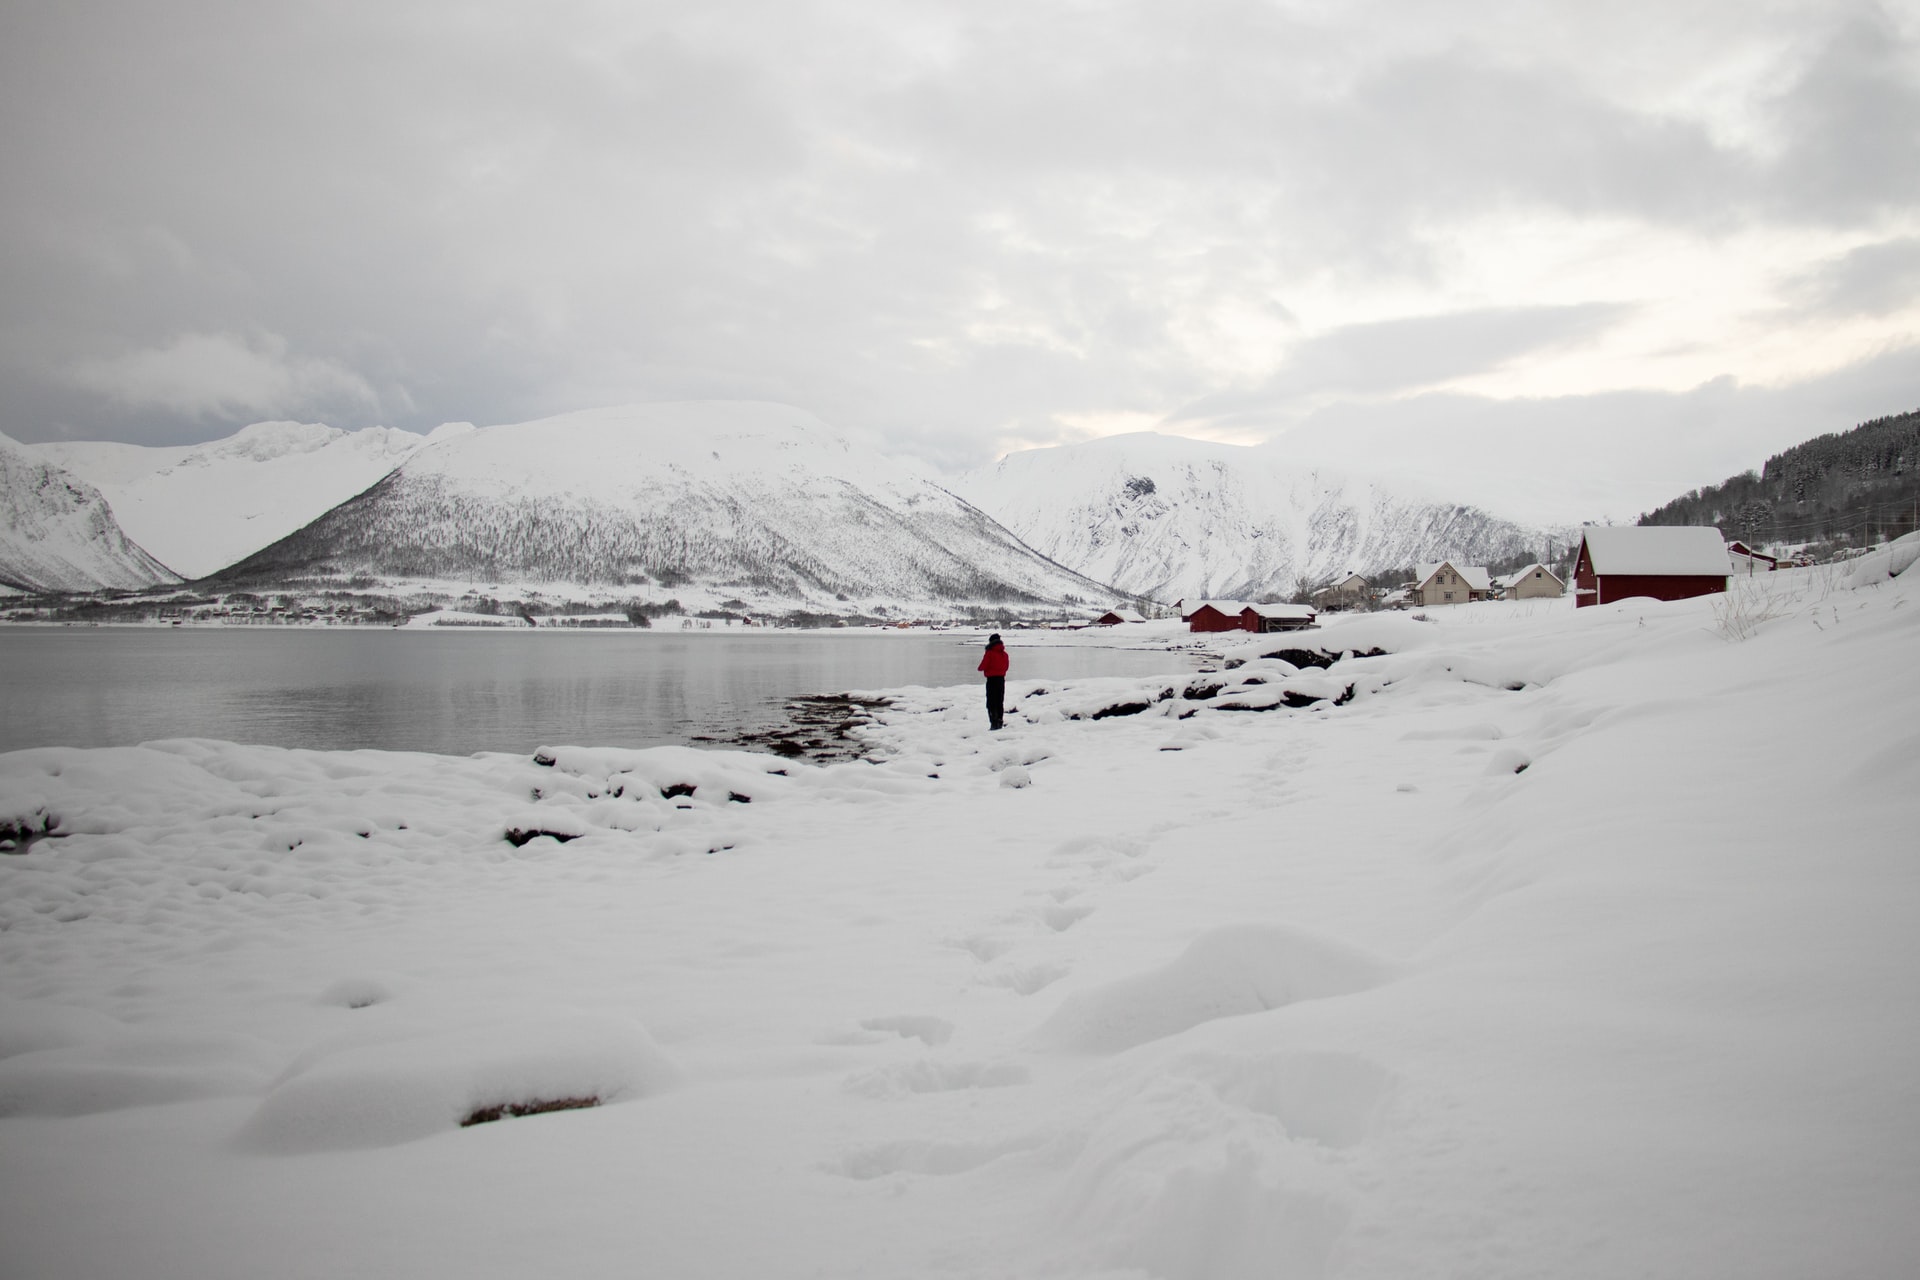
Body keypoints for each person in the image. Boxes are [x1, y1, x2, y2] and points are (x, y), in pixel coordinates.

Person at [978, 633, 1009, 730]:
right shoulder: (1005, 654)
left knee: (991, 703)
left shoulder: (989, 653)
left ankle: (994, 723)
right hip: (1001, 680)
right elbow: (1006, 667)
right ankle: (999, 722)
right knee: (999, 702)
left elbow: (982, 666)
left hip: (991, 680)